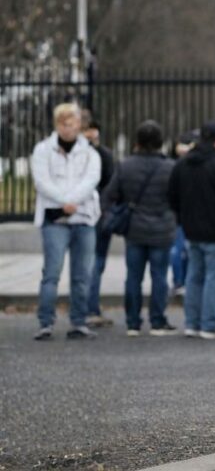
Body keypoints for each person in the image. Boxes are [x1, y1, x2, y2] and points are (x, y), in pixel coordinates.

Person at [29, 103, 102, 340]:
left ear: (79, 124)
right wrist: (64, 201)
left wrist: (73, 201)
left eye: (71, 123)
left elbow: (91, 179)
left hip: (83, 217)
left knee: (82, 274)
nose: (67, 128)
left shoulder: (90, 153)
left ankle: (79, 321)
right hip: (55, 219)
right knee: (52, 272)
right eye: (63, 123)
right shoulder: (42, 150)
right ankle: (45, 321)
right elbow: (42, 181)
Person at [168, 121, 215, 340]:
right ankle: (210, 324)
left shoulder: (183, 164)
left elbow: (172, 196)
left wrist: (184, 217)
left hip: (191, 229)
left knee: (193, 277)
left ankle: (192, 323)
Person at [102, 121, 177, 336]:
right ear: (160, 142)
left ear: (137, 141)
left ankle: (133, 322)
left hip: (134, 228)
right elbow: (177, 198)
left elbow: (110, 196)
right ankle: (157, 321)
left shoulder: (126, 165)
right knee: (160, 276)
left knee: (133, 277)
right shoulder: (169, 167)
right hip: (162, 228)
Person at [81, 111, 117, 328]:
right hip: (98, 213)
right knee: (96, 262)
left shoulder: (100, 154)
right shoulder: (101, 154)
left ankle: (87, 306)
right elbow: (110, 186)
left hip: (92, 212)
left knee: (90, 263)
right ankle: (90, 308)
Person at [169, 130, 199, 296]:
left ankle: (180, 281)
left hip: (180, 213)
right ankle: (180, 281)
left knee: (180, 250)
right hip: (184, 214)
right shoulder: (183, 165)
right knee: (181, 250)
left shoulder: (176, 164)